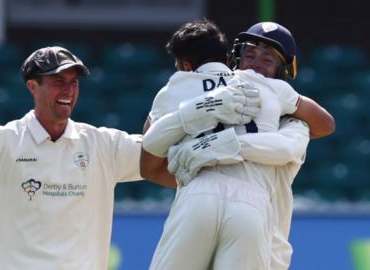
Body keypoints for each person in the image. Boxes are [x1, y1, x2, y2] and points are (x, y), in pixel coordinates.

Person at [0, 46, 170, 270]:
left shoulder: (102, 145)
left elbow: (160, 156)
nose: (69, 90)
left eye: (74, 82)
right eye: (58, 81)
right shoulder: (1, 142)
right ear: (32, 86)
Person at [141, 20, 334, 269]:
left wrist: (206, 149)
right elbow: (325, 123)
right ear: (235, 56)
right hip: (251, 204)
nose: (255, 65)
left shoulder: (181, 84)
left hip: (198, 194)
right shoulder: (273, 90)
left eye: (267, 60)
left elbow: (149, 151)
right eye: (250, 55)